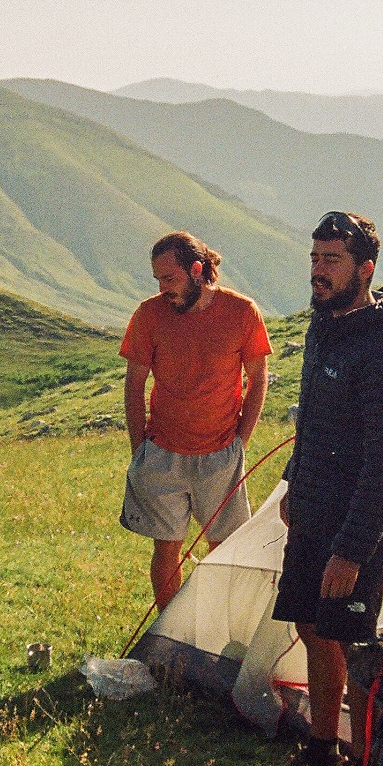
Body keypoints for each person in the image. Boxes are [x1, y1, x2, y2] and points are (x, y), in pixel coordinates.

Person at [264, 211, 383, 766]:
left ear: (366, 268)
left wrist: (352, 551)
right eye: (314, 258)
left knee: (354, 646)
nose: (319, 271)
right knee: (312, 628)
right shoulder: (323, 327)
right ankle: (320, 752)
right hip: (313, 508)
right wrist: (293, 482)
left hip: (357, 525)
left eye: (331, 260)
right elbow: (313, 422)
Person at [120, 232, 272, 609]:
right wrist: (140, 450)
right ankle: (169, 631)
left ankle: (214, 627)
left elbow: (258, 379)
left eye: (169, 278)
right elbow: (134, 383)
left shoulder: (242, 312)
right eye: (157, 279)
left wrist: (241, 442)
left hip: (221, 453)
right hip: (162, 454)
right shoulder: (149, 314)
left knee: (224, 549)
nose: (162, 288)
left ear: (197, 270)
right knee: (166, 549)